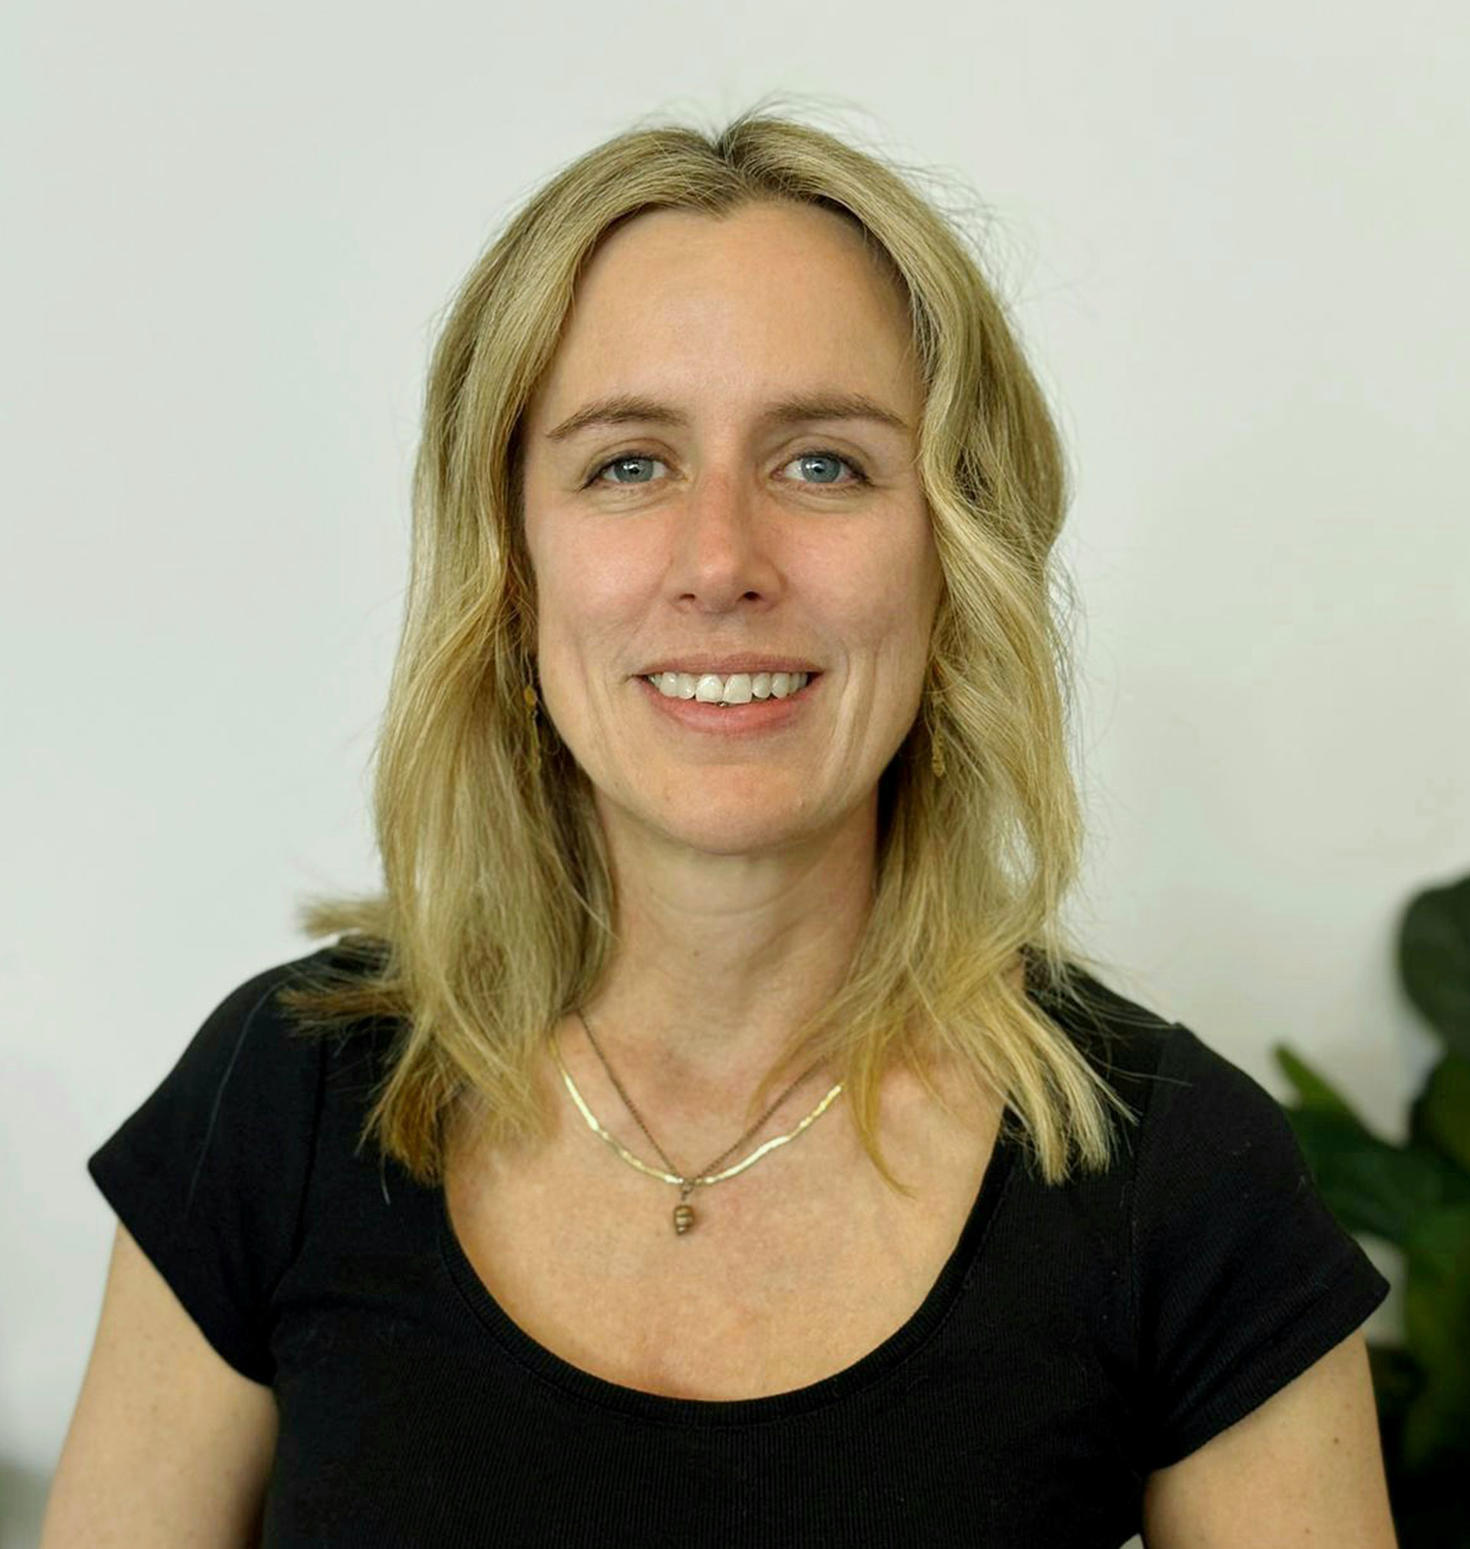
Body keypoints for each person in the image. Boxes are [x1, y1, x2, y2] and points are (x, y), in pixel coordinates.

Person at [43, 102, 1399, 1547]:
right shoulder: (284, 1104)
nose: (718, 561)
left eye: (823, 462)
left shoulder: (1177, 1179)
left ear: (956, 558)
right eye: (627, 462)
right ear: (509, 567)